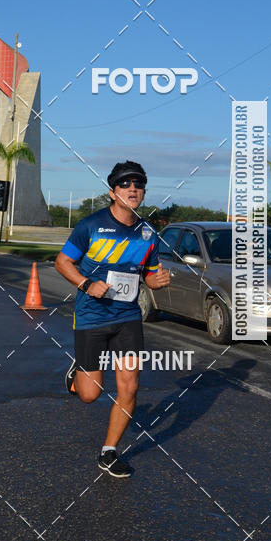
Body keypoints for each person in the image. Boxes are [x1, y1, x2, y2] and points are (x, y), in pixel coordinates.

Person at [54, 161, 171, 478]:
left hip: (128, 316)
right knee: (90, 394)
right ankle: (77, 375)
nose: (133, 189)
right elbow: (62, 262)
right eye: (125, 184)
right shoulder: (90, 226)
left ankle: (109, 452)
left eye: (138, 185)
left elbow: (147, 273)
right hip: (92, 315)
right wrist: (86, 284)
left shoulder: (148, 232)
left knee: (130, 387)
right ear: (112, 191)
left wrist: (154, 280)